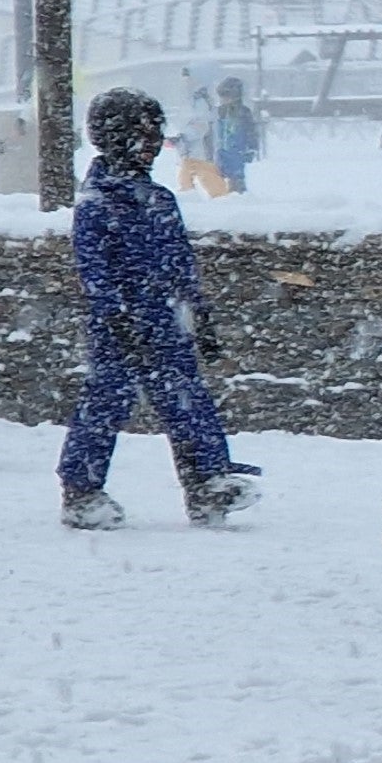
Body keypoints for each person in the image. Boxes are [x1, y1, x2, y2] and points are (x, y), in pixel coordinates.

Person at [59, 89, 258, 530]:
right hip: (119, 328)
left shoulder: (160, 201)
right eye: (140, 136)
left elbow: (181, 264)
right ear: (113, 139)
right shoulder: (96, 206)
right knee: (106, 403)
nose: (150, 145)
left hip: (167, 322)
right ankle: (81, 489)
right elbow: (94, 272)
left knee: (188, 401)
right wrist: (115, 317)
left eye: (155, 135)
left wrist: (199, 313)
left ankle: (207, 482)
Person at [174, 76, 228, 197]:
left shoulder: (200, 102)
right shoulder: (194, 101)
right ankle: (189, 196)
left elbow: (201, 124)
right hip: (193, 150)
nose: (185, 83)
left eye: (187, 79)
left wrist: (183, 136)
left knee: (207, 174)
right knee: (187, 175)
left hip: (200, 149)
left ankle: (222, 199)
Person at [211, 76, 261, 194]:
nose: (223, 99)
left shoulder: (243, 112)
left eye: (226, 96)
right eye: (221, 96)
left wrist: (252, 147)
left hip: (238, 149)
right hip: (222, 148)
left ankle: (238, 192)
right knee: (219, 173)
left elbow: (251, 130)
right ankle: (223, 194)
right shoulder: (220, 111)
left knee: (236, 174)